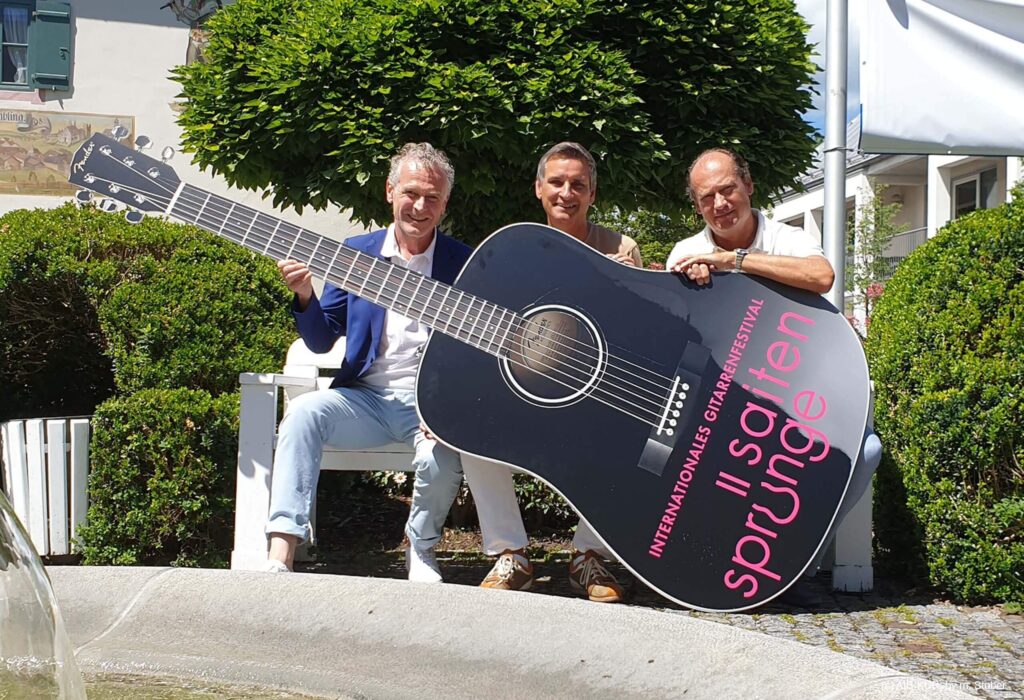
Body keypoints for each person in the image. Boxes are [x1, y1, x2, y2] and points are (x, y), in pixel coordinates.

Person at [667, 147, 882, 595]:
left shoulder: (788, 238)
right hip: (726, 404)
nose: (720, 204)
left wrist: (732, 261)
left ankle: (800, 554)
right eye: (707, 197)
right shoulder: (685, 252)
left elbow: (821, 277)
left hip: (800, 395)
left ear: (748, 186)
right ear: (697, 205)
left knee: (865, 452)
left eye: (728, 189)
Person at [265, 143, 472, 583]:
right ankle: (281, 550)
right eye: (411, 193)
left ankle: (420, 549)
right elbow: (321, 341)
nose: (419, 206)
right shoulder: (356, 253)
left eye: (432, 198)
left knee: (442, 453)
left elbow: (475, 351)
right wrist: (305, 295)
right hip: (364, 399)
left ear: (445, 204)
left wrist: (450, 406)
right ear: (390, 192)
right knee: (302, 414)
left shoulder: (463, 263)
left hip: (427, 407)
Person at [460, 142, 639, 603]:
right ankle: (511, 556)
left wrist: (625, 283)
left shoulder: (621, 247)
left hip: (593, 394)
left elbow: (638, 338)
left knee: (631, 432)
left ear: (593, 193)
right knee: (468, 429)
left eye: (578, 184)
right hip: (529, 391)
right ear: (539, 188)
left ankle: (588, 558)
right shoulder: (516, 249)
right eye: (556, 182)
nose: (567, 192)